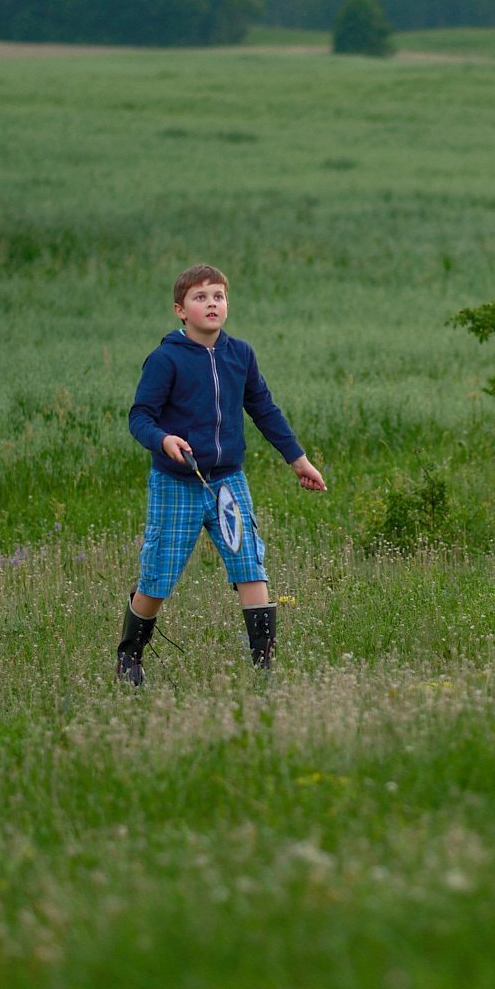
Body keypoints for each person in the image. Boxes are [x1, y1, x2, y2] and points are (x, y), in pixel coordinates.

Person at [118, 264, 327, 685]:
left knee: (250, 566)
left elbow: (264, 409)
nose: (211, 303)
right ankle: (129, 658)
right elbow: (140, 417)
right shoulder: (165, 360)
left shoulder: (240, 354)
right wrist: (164, 441)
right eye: (200, 297)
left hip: (228, 483)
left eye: (218, 296)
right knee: (157, 578)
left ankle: (263, 671)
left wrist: (298, 460)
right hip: (177, 484)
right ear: (181, 310)